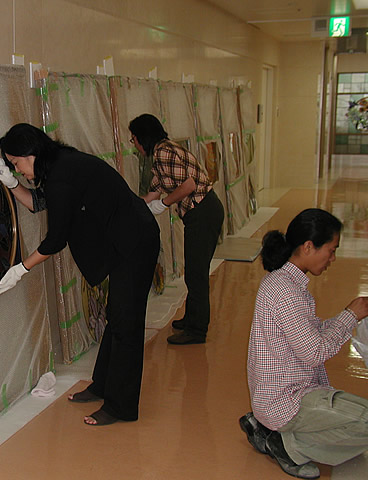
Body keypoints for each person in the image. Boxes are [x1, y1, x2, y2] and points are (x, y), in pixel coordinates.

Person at [0, 123, 160, 426]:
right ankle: (102, 386)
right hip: (122, 239)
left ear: (30, 153)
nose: (18, 170)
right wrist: (13, 184)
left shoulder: (62, 174)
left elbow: (55, 240)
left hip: (135, 242)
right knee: (117, 316)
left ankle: (121, 407)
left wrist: (21, 268)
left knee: (127, 323)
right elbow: (40, 203)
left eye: (16, 164)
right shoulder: (58, 164)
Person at [240, 208, 368, 479]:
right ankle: (288, 445)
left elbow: (311, 334)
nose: (333, 258)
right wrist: (350, 315)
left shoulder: (286, 282)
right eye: (331, 250)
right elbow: (315, 352)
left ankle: (268, 431)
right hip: (286, 401)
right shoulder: (286, 292)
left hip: (286, 394)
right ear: (308, 247)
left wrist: (348, 317)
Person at [128, 114, 224, 345]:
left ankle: (197, 330)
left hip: (203, 212)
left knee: (196, 273)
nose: (134, 144)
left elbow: (188, 185)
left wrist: (164, 204)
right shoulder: (161, 154)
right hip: (201, 213)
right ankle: (191, 318)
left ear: (142, 137)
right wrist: (132, 206)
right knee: (194, 269)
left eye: (134, 139)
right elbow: (153, 193)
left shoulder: (164, 152)